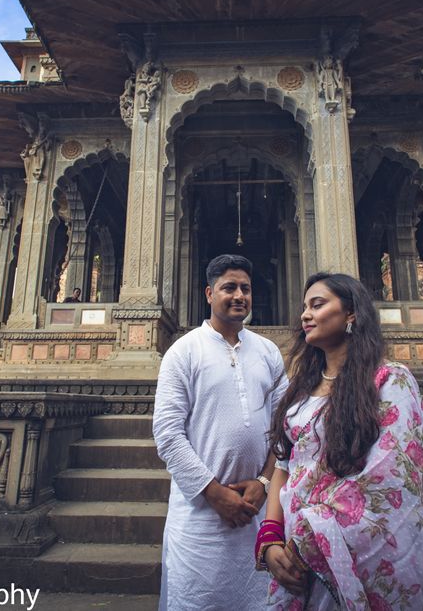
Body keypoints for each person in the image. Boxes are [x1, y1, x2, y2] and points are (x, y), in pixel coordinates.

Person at [257, 273, 423, 610]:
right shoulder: (300, 389)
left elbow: (392, 476)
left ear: (351, 314)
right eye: (304, 307)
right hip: (294, 553)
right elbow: (286, 463)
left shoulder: (388, 381)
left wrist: (310, 537)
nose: (305, 315)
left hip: (352, 551)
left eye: (318, 304)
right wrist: (269, 538)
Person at [153, 254, 288, 611]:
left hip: (257, 507)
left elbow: (284, 425)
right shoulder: (183, 352)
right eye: (229, 287)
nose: (239, 295)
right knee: (198, 599)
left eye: (245, 288)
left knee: (260, 598)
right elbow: (167, 433)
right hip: (200, 517)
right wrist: (213, 492)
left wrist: (263, 482)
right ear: (209, 293)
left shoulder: (268, 352)